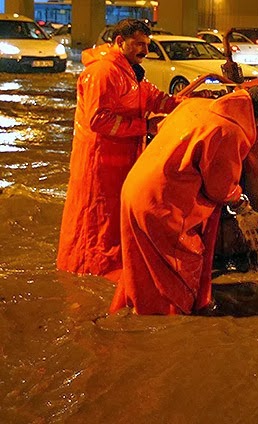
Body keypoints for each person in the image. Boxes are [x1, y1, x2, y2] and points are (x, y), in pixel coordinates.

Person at [109, 85, 258, 315]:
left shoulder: (195, 105)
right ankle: (170, 324)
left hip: (135, 188)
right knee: (179, 269)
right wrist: (240, 203)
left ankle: (135, 312)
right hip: (164, 203)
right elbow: (219, 188)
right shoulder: (229, 130)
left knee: (141, 265)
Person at [57, 19, 179, 281]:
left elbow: (155, 98)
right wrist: (144, 125)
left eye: (147, 45)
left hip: (121, 159)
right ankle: (92, 267)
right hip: (99, 161)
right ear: (119, 42)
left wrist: (184, 103)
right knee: (97, 216)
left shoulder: (131, 72)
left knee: (111, 217)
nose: (144, 50)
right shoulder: (103, 73)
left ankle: (109, 264)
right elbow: (98, 120)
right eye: (138, 44)